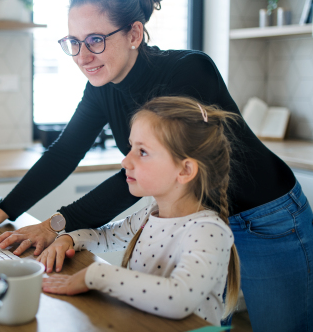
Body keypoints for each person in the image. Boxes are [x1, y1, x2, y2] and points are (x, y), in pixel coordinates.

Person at [0, 0, 313, 331]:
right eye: (73, 42)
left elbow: (148, 173)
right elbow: (63, 154)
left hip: (267, 220)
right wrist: (0, 212)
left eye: (95, 40)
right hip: (202, 219)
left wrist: (56, 224)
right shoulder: (102, 85)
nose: (82, 56)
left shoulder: (187, 73)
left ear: (135, 33)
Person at [40, 96, 239, 325]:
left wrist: (95, 275)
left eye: (142, 152)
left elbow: (178, 298)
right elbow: (104, 236)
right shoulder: (150, 215)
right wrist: (67, 239)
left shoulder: (208, 231)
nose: (126, 161)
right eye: (131, 147)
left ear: (185, 170)